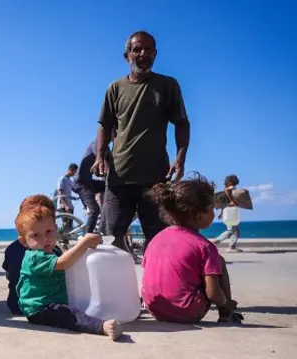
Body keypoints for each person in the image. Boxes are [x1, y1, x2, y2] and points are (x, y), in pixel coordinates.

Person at [93, 30, 191, 252]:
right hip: (119, 177)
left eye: (148, 49)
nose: (143, 53)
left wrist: (180, 157)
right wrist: (100, 155)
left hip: (155, 178)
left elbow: (182, 122)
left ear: (155, 54)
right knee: (111, 240)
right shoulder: (115, 88)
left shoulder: (168, 86)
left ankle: (155, 286)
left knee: (159, 241)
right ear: (127, 55)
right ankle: (115, 286)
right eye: (137, 49)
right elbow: (104, 125)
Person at [14, 194, 122, 340]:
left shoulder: (54, 250)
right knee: (69, 315)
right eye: (35, 235)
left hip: (56, 299)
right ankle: (101, 326)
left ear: (56, 229)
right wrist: (83, 243)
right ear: (23, 241)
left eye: (48, 232)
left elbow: (70, 261)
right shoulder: (34, 258)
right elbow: (63, 263)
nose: (45, 239)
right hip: (40, 308)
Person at [141, 174, 244, 324]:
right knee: (218, 262)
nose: (214, 214)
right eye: (211, 209)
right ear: (197, 215)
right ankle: (226, 314)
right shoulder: (205, 246)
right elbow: (212, 293)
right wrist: (225, 302)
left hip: (155, 308)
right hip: (187, 311)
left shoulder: (155, 239)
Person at [2, 195, 63, 315]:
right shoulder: (50, 251)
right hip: (38, 306)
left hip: (14, 303)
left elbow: (9, 275)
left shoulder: (11, 249)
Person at [73, 139, 111, 234]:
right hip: (81, 183)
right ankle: (87, 237)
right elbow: (101, 159)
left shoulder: (107, 148)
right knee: (95, 210)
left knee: (109, 186)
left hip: (89, 182)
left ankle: (105, 223)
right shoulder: (97, 144)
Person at [214, 175, 242, 252]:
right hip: (231, 212)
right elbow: (227, 191)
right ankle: (229, 246)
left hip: (228, 212)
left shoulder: (230, 189)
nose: (237, 180)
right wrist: (232, 200)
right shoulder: (231, 188)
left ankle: (230, 245)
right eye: (235, 179)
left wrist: (221, 213)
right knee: (232, 230)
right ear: (230, 182)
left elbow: (225, 203)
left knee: (233, 230)